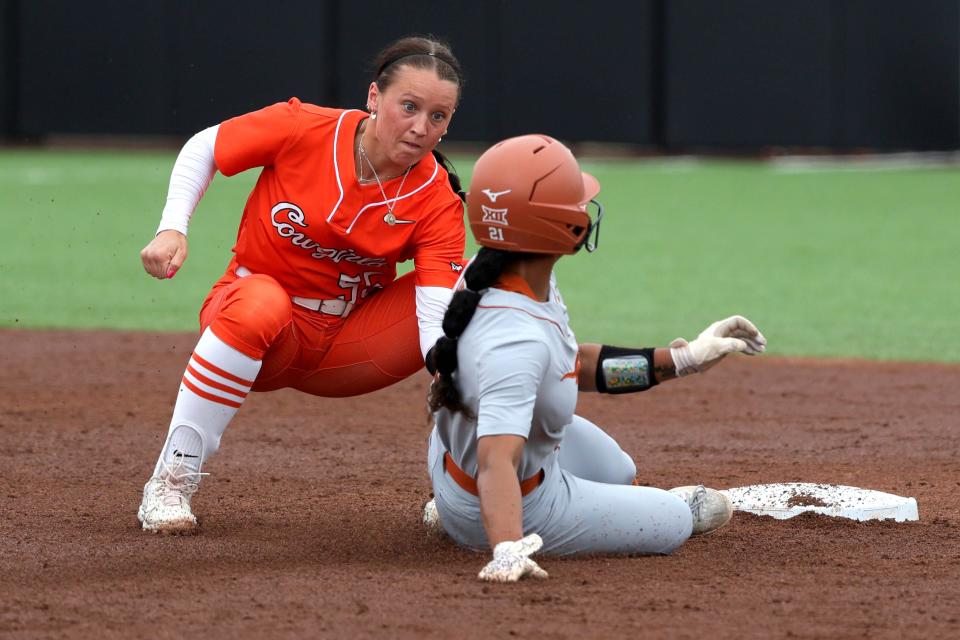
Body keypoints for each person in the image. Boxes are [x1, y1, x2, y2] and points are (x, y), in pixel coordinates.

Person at [137, 35, 467, 533]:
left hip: (349, 344)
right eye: (409, 106)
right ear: (374, 98)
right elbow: (205, 146)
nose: (421, 127)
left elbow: (434, 303)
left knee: (474, 299)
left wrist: (448, 370)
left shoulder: (437, 199)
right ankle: (170, 481)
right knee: (260, 303)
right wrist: (172, 225)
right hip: (260, 326)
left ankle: (458, 490)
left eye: (438, 117)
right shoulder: (304, 128)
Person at [424, 134, 767, 582]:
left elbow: (575, 365)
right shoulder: (516, 340)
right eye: (577, 202)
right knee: (675, 521)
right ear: (553, 226)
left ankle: (455, 507)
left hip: (459, 456)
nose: (586, 210)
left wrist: (684, 359)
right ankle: (466, 522)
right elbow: (496, 462)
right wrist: (507, 547)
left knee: (618, 469)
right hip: (516, 498)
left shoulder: (498, 273)